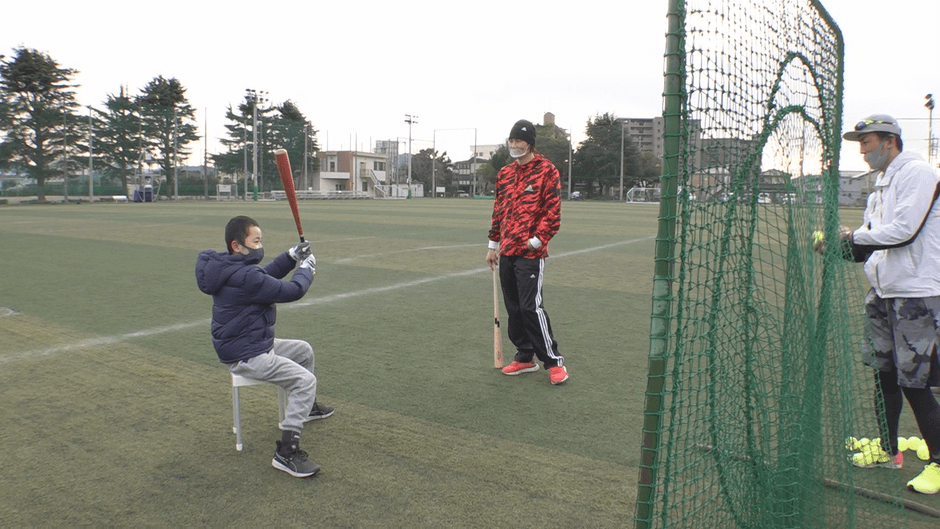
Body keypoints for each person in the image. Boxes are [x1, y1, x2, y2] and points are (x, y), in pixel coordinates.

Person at [840, 114, 940, 494]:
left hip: (916, 293)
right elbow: (872, 242)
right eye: (860, 143)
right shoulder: (879, 186)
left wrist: (855, 240)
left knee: (915, 382)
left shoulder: (917, 173)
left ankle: (939, 462)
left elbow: (903, 232)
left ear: (890, 142)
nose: (863, 150)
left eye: (867, 142)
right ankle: (888, 451)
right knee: (884, 374)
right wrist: (844, 246)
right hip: (884, 292)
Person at [195, 215, 333, 478]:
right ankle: (286, 453)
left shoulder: (230, 269)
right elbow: (292, 290)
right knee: (305, 381)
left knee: (304, 350)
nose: (260, 245)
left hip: (248, 343)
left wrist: (291, 256)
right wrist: (306, 268)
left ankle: (308, 408)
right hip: (247, 354)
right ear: (237, 246)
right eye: (256, 241)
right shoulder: (245, 277)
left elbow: (264, 276)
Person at [485, 119, 568, 385]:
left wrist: (535, 241)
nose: (513, 145)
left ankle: (554, 361)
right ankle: (524, 356)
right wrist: (492, 245)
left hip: (531, 254)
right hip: (507, 250)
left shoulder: (547, 171)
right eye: (511, 141)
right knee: (514, 307)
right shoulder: (505, 174)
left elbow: (553, 214)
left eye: (518, 141)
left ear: (529, 143)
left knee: (531, 307)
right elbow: (498, 211)